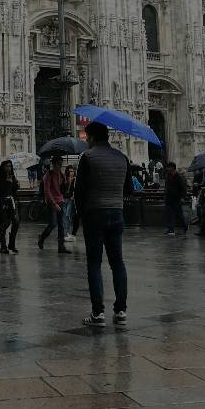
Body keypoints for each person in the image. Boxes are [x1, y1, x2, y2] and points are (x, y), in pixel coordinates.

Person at [73, 121, 130, 326]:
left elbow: (79, 191)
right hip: (116, 213)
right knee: (118, 262)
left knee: (94, 263)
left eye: (87, 137)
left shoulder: (87, 157)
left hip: (94, 214)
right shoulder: (122, 157)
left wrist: (79, 214)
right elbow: (129, 189)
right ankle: (121, 310)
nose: (86, 140)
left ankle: (98, 313)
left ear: (93, 137)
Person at [37, 154, 71, 253]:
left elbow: (64, 190)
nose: (60, 166)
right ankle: (42, 237)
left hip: (61, 201)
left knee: (61, 225)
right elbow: (47, 191)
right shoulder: (49, 175)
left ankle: (61, 246)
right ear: (54, 164)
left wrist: (68, 182)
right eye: (58, 164)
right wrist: (54, 203)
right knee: (53, 224)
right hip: (52, 203)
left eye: (61, 164)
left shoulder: (61, 174)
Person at [0, 159, 20, 255]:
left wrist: (16, 183)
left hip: (12, 203)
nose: (9, 168)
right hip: (2, 204)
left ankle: (11, 244)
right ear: (3, 167)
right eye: (7, 166)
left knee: (16, 222)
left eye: (10, 166)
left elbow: (14, 190)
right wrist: (7, 182)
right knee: (3, 224)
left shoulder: (12, 176)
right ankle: (3, 246)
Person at [163, 161, 189, 235]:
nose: (168, 169)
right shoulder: (168, 176)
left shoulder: (178, 177)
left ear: (173, 168)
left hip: (176, 198)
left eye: (169, 167)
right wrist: (165, 194)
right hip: (169, 198)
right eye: (167, 167)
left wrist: (183, 197)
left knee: (179, 214)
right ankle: (170, 229)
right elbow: (166, 187)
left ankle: (184, 226)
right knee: (169, 214)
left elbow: (183, 188)